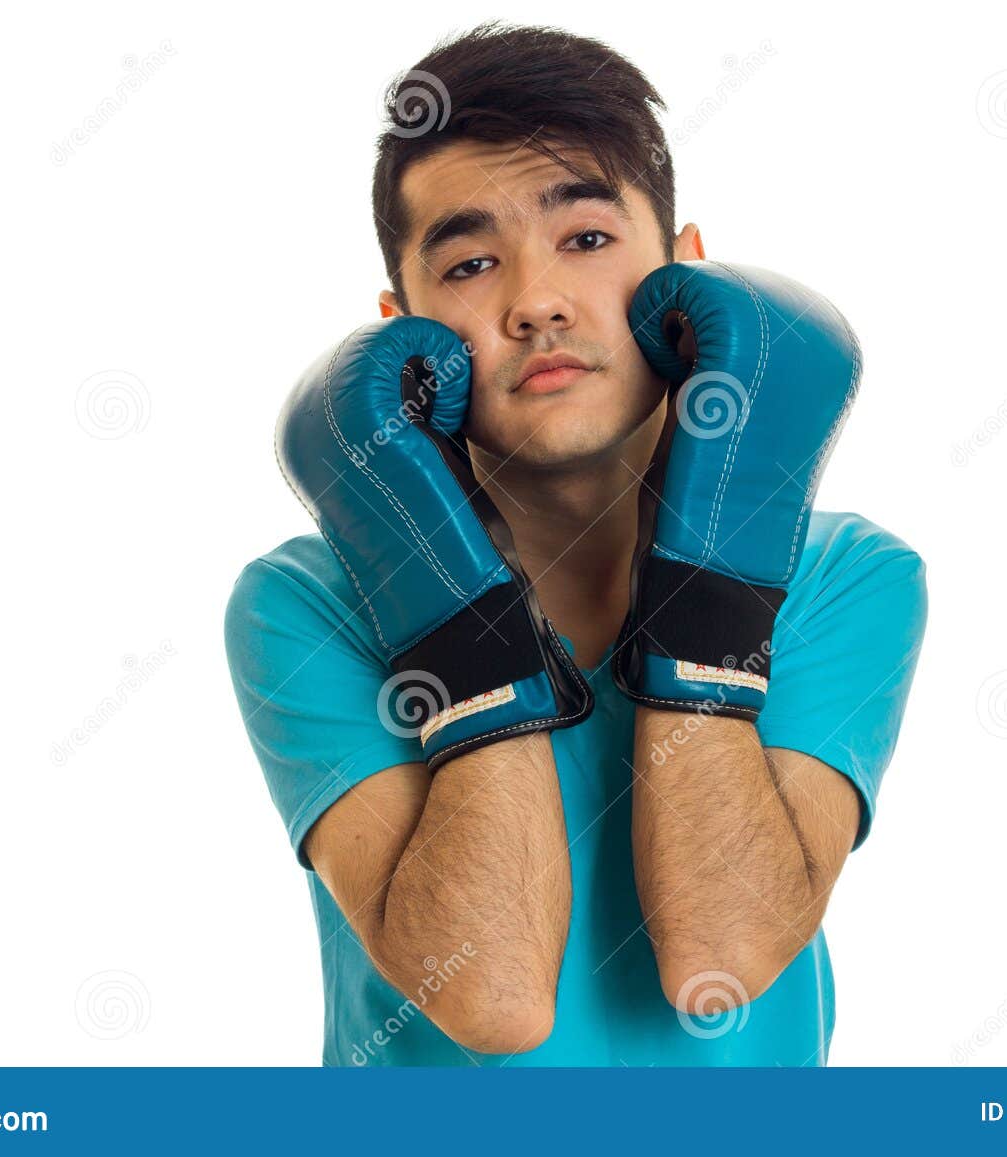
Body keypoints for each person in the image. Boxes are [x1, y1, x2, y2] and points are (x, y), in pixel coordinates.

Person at [223, 21, 928, 1066]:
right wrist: (445, 599)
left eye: (587, 240)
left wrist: (711, 579)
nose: (536, 303)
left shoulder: (842, 578)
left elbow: (720, 956)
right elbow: (493, 997)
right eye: (470, 263)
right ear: (400, 327)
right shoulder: (308, 602)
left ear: (687, 270)